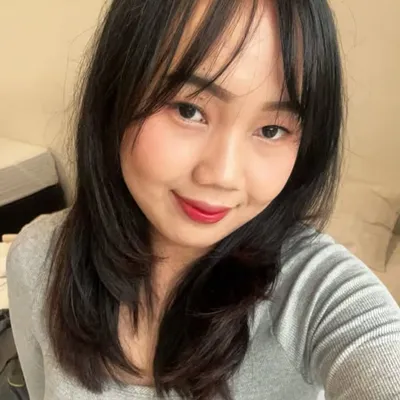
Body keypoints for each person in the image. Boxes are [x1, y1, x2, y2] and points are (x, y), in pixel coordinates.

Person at [6, 0, 400, 399]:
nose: (223, 175)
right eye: (188, 110)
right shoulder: (38, 260)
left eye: (271, 130)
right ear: (115, 93)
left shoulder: (314, 289)